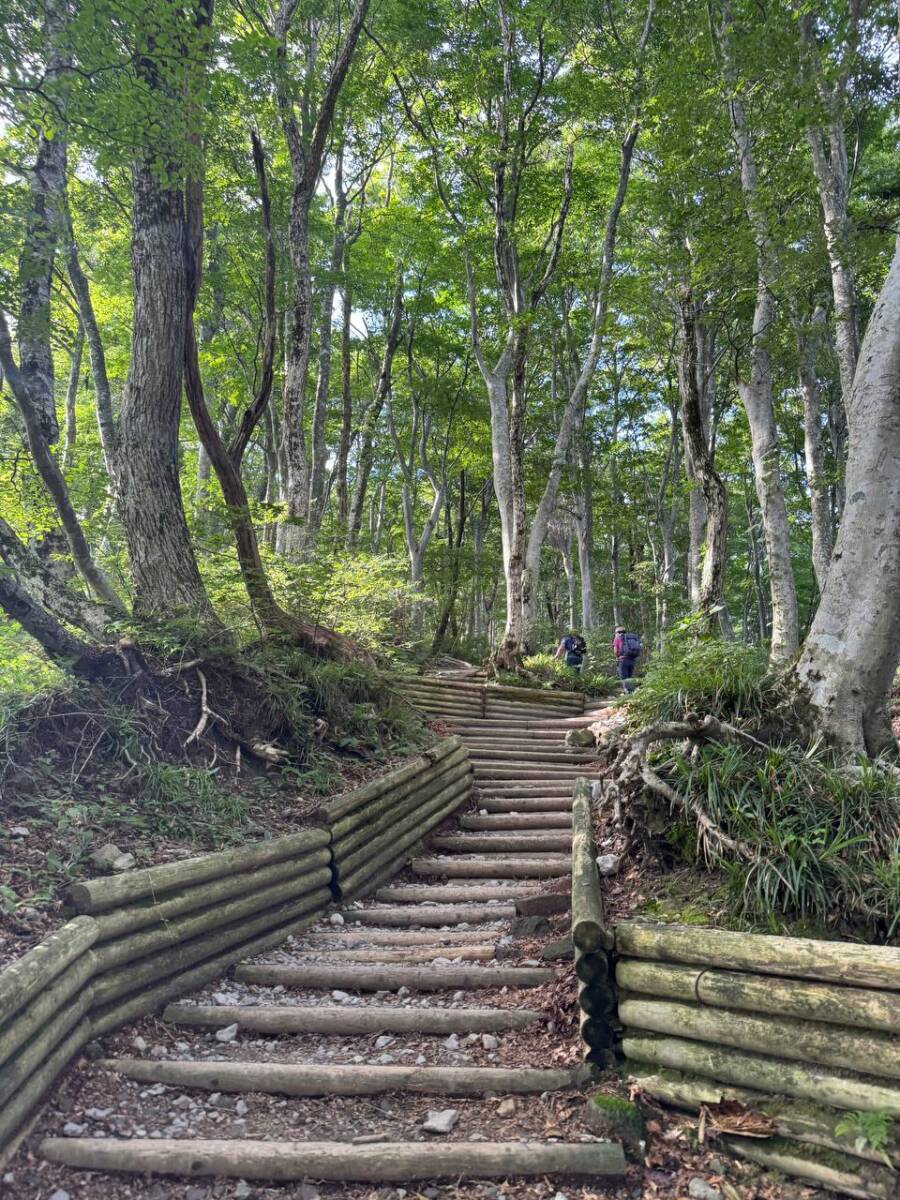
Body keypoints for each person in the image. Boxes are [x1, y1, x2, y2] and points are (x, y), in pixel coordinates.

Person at [612, 625, 642, 693]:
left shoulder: (617, 638)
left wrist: (617, 657)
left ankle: (628, 694)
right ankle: (631, 693)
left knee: (624, 678)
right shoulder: (630, 638)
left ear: (617, 632)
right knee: (630, 677)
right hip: (632, 659)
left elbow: (616, 651)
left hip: (623, 660)